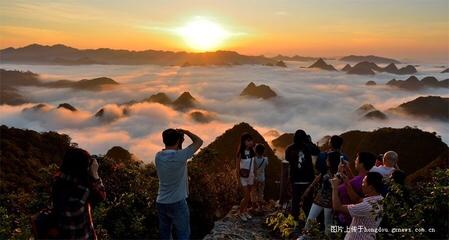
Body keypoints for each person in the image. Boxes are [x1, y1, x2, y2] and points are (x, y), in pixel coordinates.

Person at [155, 128, 203, 240]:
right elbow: (199, 141)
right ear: (178, 141)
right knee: (183, 235)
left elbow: (173, 152)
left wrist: (178, 141)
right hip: (177, 202)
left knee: (165, 235)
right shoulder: (181, 156)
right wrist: (186, 132)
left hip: (161, 201)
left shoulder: (158, 156)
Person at [52, 147, 106, 240]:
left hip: (64, 234)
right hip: (82, 236)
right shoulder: (83, 190)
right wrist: (95, 174)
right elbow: (102, 196)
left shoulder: (57, 180)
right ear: (83, 168)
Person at [331, 172, 385, 240]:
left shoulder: (367, 206)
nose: (361, 185)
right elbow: (357, 200)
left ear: (371, 187)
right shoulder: (380, 199)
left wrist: (334, 188)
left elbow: (337, 207)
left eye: (363, 183)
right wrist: (347, 183)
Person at [303, 151, 340, 236]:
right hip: (319, 199)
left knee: (328, 225)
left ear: (332, 161)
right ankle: (304, 236)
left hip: (330, 202)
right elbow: (318, 178)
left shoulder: (339, 173)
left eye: (328, 159)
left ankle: (328, 237)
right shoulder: (326, 170)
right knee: (310, 219)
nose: (326, 160)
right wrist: (309, 188)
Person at [337, 152, 376, 226]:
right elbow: (355, 181)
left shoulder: (356, 182)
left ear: (361, 164)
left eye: (356, 160)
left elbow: (337, 190)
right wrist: (348, 170)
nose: (355, 161)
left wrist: (339, 172)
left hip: (347, 219)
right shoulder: (369, 178)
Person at [285, 130, 315, 220]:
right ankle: (308, 222)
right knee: (308, 202)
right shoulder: (308, 148)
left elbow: (287, 163)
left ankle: (294, 222)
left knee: (295, 201)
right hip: (308, 179)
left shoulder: (289, 149)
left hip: (295, 179)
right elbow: (317, 151)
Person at [236, 132, 256, 221]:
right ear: (243, 142)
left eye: (251, 140)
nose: (250, 142)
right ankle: (240, 212)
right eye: (248, 140)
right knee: (246, 196)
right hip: (243, 177)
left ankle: (245, 211)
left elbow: (254, 165)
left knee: (249, 196)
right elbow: (237, 168)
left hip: (250, 176)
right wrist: (238, 181)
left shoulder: (252, 151)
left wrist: (254, 175)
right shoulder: (240, 153)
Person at [253, 143, 268, 211]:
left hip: (255, 179)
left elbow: (253, 169)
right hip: (262, 178)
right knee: (261, 193)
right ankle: (260, 207)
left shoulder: (254, 159)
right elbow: (266, 166)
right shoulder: (266, 159)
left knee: (254, 192)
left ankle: (254, 206)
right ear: (263, 151)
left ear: (255, 151)